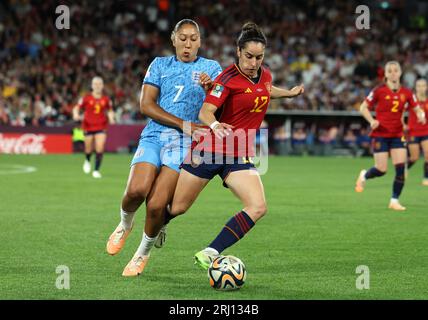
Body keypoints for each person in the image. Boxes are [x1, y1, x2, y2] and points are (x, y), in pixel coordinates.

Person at [156, 22, 304, 271]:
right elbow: (205, 112)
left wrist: (287, 94)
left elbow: (264, 90)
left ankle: (210, 252)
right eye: (249, 56)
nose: (254, 62)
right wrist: (215, 126)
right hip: (208, 150)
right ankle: (157, 223)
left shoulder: (264, 75)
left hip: (238, 153)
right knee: (178, 207)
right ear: (238, 52)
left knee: (258, 207)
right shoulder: (227, 79)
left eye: (259, 57)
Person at [105, 19, 222, 277]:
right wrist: (183, 124)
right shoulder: (159, 65)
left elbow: (219, 110)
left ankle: (142, 253)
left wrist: (210, 90)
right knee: (137, 190)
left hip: (185, 144)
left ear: (200, 41)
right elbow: (146, 105)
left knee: (157, 205)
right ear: (173, 39)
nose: (188, 44)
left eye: (193, 39)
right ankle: (125, 224)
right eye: (183, 38)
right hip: (155, 135)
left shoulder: (211, 69)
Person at [355, 61, 426, 211]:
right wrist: (372, 120)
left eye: (396, 70)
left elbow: (417, 107)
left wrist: (420, 115)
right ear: (386, 74)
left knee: (400, 168)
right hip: (380, 134)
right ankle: (364, 175)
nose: (393, 73)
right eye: (390, 71)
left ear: (400, 73)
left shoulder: (406, 93)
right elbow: (363, 107)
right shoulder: (379, 91)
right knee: (381, 169)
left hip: (398, 135)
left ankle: (394, 200)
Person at [72, 76, 115, 178]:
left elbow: (110, 110)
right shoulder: (86, 98)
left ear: (102, 86)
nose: (97, 86)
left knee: (99, 148)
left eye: (99, 84)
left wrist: (112, 118)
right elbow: (76, 108)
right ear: (92, 86)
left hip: (101, 126)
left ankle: (96, 170)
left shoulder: (106, 99)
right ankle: (87, 160)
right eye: (95, 84)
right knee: (88, 149)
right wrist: (75, 114)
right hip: (88, 126)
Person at [407, 78, 428, 185]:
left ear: (426, 87)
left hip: (426, 132)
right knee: (414, 157)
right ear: (416, 88)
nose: (421, 88)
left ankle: (426, 178)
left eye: (423, 86)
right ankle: (406, 168)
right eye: (419, 86)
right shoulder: (411, 100)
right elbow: (400, 111)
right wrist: (403, 124)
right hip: (413, 132)